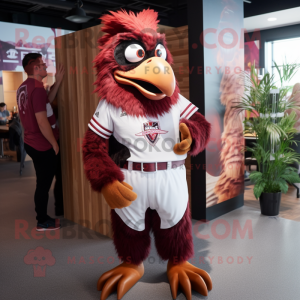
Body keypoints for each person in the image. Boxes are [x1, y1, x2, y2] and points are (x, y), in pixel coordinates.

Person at [17, 53, 61, 231]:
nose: (45, 66)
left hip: (31, 141)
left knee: (43, 181)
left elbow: (45, 103)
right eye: (42, 64)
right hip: (42, 144)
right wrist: (54, 143)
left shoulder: (25, 87)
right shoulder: (36, 88)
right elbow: (42, 121)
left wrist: (58, 82)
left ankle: (45, 216)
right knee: (43, 183)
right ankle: (42, 220)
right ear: (34, 67)